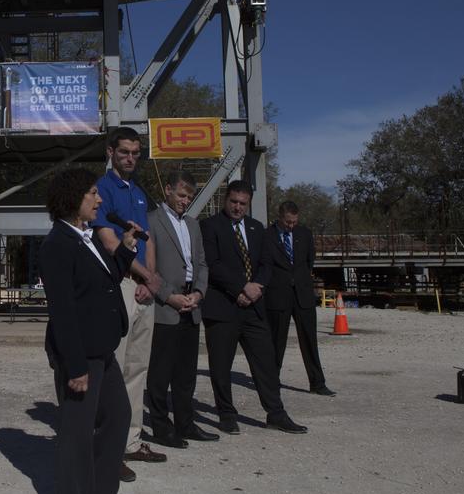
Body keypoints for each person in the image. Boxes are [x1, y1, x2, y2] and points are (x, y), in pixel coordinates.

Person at [40, 167, 145, 494]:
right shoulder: (57, 245)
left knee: (119, 415)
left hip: (103, 348)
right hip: (81, 354)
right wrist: (75, 365)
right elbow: (64, 312)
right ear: (73, 199)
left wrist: (127, 245)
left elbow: (106, 278)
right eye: (92, 194)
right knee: (77, 434)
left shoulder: (87, 238)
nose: (99, 200)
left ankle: (101, 492)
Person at [198, 180, 307, 435]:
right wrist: (240, 288)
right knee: (221, 365)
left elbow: (267, 263)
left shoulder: (257, 228)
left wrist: (256, 285)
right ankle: (226, 413)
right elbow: (212, 264)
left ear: (248, 204)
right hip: (223, 306)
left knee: (266, 362)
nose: (237, 207)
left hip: (254, 307)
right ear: (226, 200)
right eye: (234, 202)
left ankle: (276, 413)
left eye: (242, 204)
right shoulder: (210, 226)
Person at [93, 127, 163, 478]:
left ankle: (131, 441)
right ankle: (107, 446)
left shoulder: (137, 191)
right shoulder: (101, 190)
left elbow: (147, 238)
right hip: (119, 284)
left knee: (138, 368)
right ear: (111, 152)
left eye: (136, 152)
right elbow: (108, 242)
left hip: (142, 288)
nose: (131, 158)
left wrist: (151, 277)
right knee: (114, 371)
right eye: (124, 152)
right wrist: (142, 276)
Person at [144, 169, 217, 448]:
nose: (185, 201)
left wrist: (198, 292)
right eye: (182, 195)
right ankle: (162, 429)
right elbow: (149, 271)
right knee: (160, 374)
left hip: (192, 305)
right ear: (168, 190)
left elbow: (202, 263)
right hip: (166, 307)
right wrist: (169, 297)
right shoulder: (151, 222)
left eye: (189, 197)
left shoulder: (193, 225)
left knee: (186, 374)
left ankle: (186, 424)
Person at [264, 201, 335, 396]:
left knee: (309, 340)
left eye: (294, 222)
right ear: (280, 217)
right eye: (288, 222)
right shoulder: (267, 236)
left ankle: (317, 382)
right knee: (276, 341)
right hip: (278, 296)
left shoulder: (304, 234)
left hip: (302, 295)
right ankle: (271, 380)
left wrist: (301, 280)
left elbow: (309, 261)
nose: (291, 226)